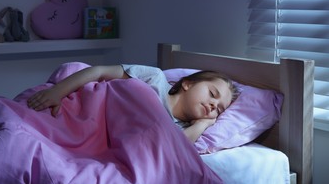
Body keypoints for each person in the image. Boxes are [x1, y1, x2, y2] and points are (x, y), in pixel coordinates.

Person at [27, 64, 238, 143]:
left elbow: (177, 147)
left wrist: (203, 124)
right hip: (84, 118)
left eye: (218, 109)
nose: (213, 105)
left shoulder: (181, 130)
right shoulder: (154, 79)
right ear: (187, 84)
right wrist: (57, 92)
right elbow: (100, 72)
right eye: (212, 93)